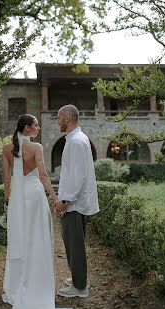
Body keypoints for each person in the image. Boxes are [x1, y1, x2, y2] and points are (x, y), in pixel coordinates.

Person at [2, 114, 72, 309]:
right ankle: (36, 284)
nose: (39, 128)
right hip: (34, 196)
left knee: (19, 239)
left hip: (17, 198)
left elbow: (7, 178)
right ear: (27, 128)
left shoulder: (7, 148)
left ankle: (17, 286)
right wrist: (56, 198)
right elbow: (42, 176)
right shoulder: (37, 148)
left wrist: (7, 202)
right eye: (36, 125)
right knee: (37, 239)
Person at [54, 105, 99, 298]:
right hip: (73, 202)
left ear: (67, 118)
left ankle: (80, 288)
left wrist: (65, 200)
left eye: (58, 118)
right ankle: (79, 278)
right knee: (74, 243)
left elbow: (79, 176)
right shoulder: (75, 140)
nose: (57, 121)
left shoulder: (77, 142)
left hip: (73, 203)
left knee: (74, 245)